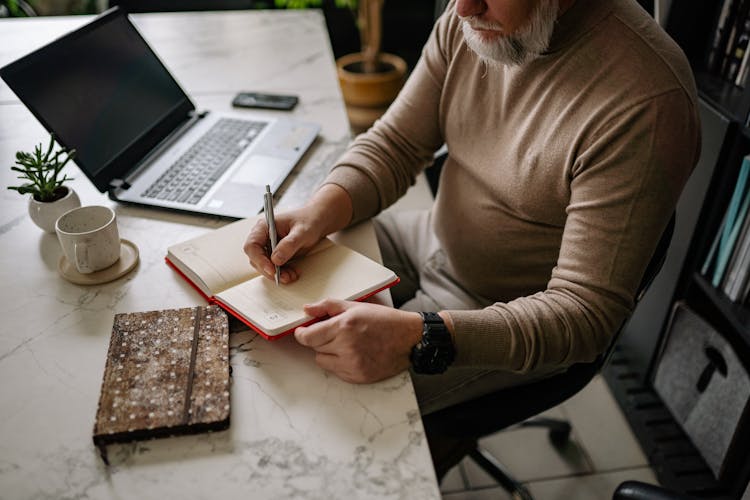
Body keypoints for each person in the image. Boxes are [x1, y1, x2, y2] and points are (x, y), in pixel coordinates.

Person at [243, 0, 700, 417]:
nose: (461, 9)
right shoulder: (474, 16)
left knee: (311, 406)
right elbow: (397, 143)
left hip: (501, 315)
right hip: (430, 237)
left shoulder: (647, 102)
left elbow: (583, 315)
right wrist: (319, 209)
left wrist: (425, 335)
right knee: (256, 331)